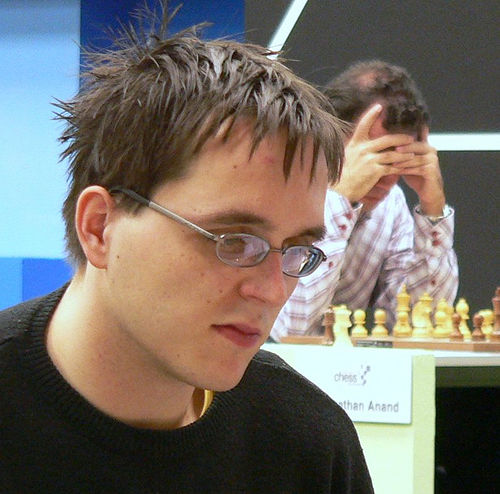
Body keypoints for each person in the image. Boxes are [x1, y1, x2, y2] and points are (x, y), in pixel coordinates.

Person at [0, 4, 374, 493]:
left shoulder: (306, 444)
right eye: (234, 241)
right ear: (100, 228)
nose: (272, 291)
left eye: (295, 250)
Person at [271, 60, 458, 339]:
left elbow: (418, 326)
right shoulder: (279, 187)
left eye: (397, 161)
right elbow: (290, 330)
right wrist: (340, 198)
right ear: (329, 132)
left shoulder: (391, 205)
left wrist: (433, 209)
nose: (384, 177)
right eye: (374, 154)